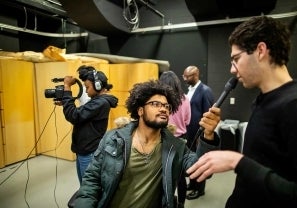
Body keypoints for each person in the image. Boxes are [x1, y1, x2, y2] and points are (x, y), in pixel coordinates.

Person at [186, 16, 297, 207]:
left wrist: (238, 162)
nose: (232, 69)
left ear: (261, 50)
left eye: (236, 59)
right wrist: (209, 134)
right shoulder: (263, 100)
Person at [73, 80, 221, 208]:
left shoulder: (176, 146)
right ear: (140, 110)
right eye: (155, 104)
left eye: (167, 106)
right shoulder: (112, 139)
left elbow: (201, 171)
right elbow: (91, 180)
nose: (163, 108)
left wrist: (208, 135)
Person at [57, 65, 119, 184]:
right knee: (85, 186)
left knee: (88, 188)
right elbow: (79, 114)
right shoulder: (97, 101)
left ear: (98, 86)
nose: (85, 90)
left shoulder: (100, 103)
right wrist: (66, 102)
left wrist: (67, 87)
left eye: (87, 87)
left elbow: (74, 116)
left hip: (89, 153)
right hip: (84, 151)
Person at [159, 71, 191, 208]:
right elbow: (187, 120)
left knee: (163, 174)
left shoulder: (160, 101)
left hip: (163, 139)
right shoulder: (185, 99)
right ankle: (181, 204)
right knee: (180, 177)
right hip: (181, 140)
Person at [182, 65, 214, 200]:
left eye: (187, 76)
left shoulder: (205, 91)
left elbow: (208, 116)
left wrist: (202, 136)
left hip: (199, 134)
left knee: (200, 161)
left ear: (195, 76)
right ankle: (192, 183)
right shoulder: (189, 90)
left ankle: (199, 189)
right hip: (190, 133)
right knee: (192, 160)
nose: (184, 78)